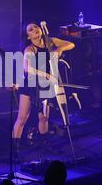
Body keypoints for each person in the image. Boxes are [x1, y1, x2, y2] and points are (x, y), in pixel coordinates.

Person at [12, 21, 75, 158]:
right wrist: (45, 74)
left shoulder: (50, 41)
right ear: (28, 36)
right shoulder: (29, 49)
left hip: (46, 85)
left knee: (44, 117)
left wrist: (60, 49)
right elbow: (27, 68)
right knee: (23, 117)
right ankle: (15, 150)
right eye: (31, 29)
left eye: (36, 27)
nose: (35, 29)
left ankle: (44, 143)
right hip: (30, 84)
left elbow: (71, 44)